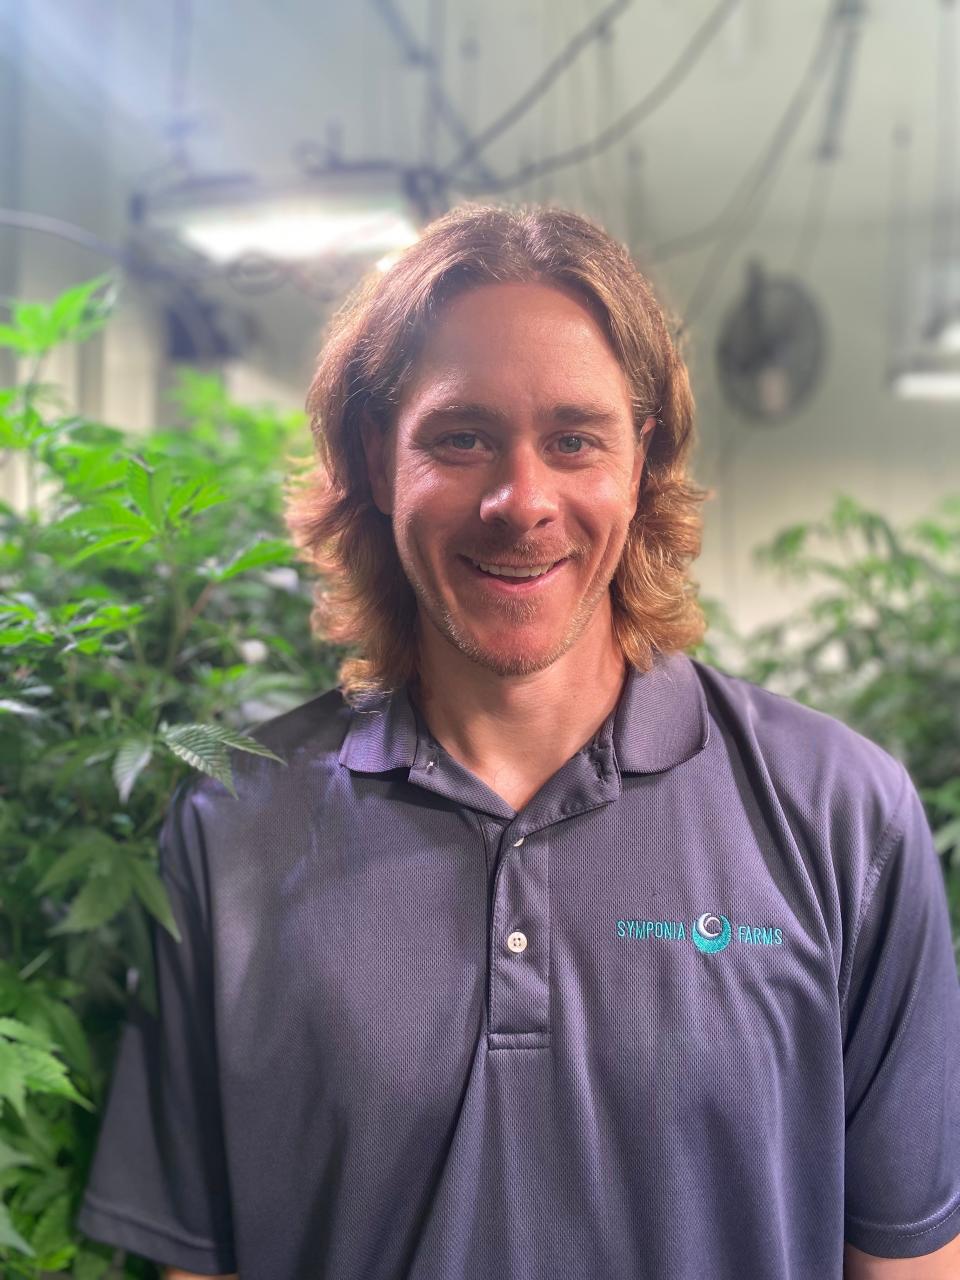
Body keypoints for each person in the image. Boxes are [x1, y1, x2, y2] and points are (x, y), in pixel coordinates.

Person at [75, 205, 959, 1279]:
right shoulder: (234, 831)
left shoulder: (842, 818)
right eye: (461, 437)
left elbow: (909, 1259)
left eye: (575, 439)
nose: (520, 500)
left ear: (645, 462)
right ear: (375, 455)